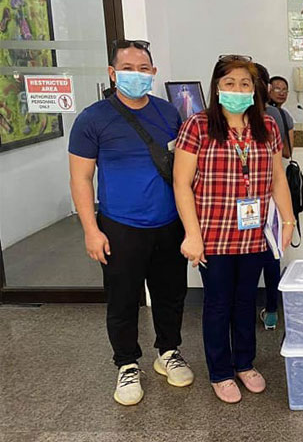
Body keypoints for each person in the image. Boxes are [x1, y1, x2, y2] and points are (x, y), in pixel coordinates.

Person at [68, 39, 193, 406]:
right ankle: (126, 363)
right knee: (122, 299)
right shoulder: (92, 119)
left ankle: (168, 352)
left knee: (171, 294)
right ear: (112, 73)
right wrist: (91, 230)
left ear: (153, 73)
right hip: (120, 225)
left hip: (169, 223)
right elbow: (80, 179)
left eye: (143, 69)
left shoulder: (169, 114)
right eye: (127, 68)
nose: (136, 75)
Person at [173, 55, 295, 403]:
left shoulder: (267, 126)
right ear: (216, 87)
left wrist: (288, 220)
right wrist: (192, 234)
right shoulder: (197, 126)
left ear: (255, 89)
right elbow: (182, 184)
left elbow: (276, 178)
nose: (238, 90)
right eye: (230, 83)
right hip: (213, 235)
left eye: (245, 84)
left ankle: (244, 362)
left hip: (254, 235)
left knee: (245, 301)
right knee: (218, 304)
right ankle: (221, 371)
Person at [253, 64, 294, 330]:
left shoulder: (270, 118)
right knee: (271, 252)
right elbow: (289, 152)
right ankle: (271, 309)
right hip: (270, 202)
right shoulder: (279, 116)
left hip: (261, 199)